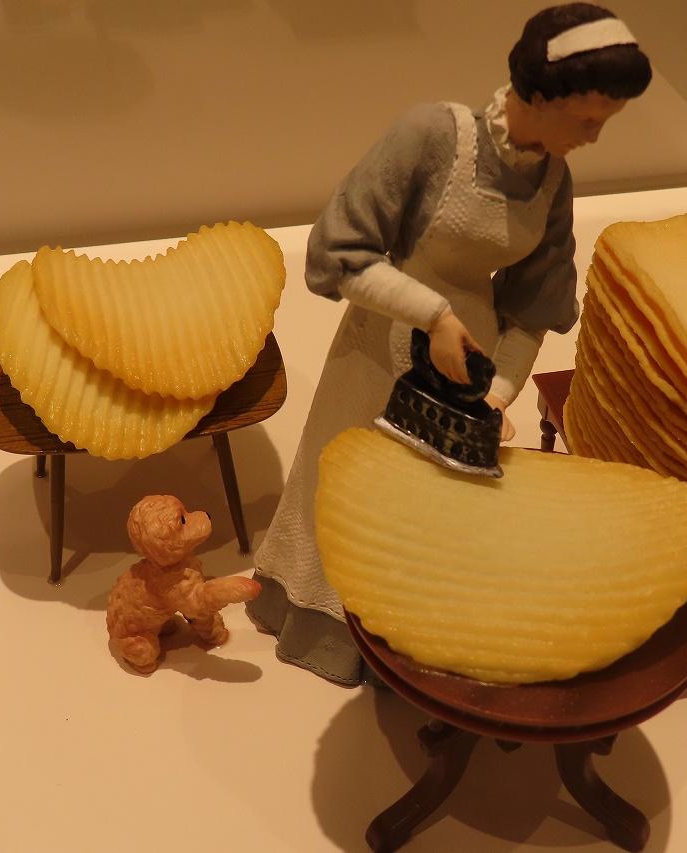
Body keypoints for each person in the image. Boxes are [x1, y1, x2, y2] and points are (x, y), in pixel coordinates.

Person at [247, 4, 652, 685]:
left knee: (426, 509)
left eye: (604, 123)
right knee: (346, 486)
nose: (594, 137)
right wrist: (431, 315)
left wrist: (499, 391)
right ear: (542, 95)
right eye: (588, 119)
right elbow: (336, 255)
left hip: (467, 366)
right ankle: (322, 626)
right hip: (379, 347)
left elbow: (533, 307)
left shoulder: (553, 182)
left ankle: (406, 645)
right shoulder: (432, 136)